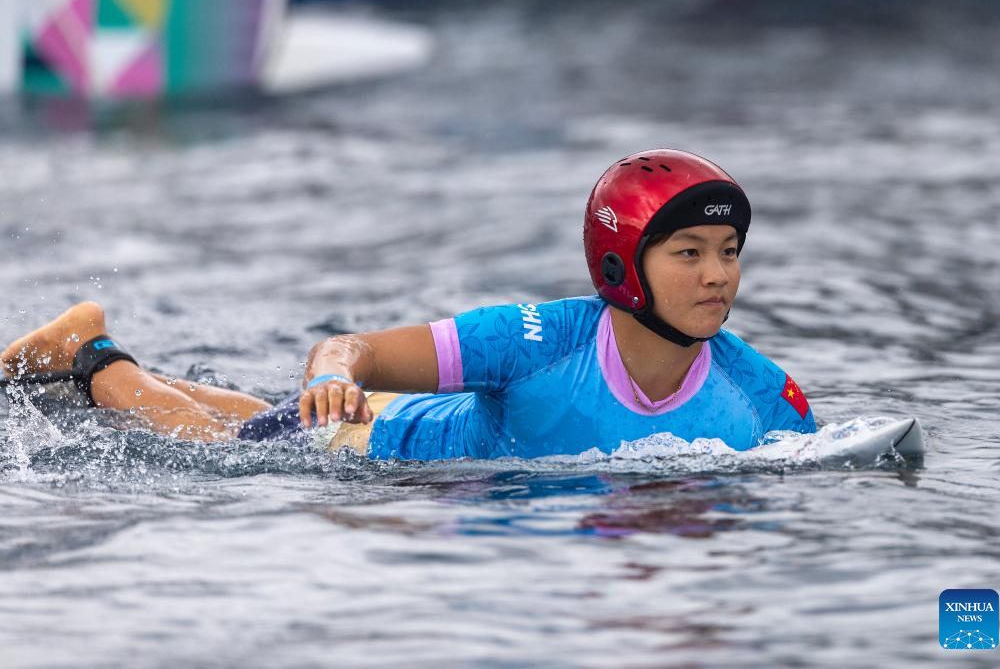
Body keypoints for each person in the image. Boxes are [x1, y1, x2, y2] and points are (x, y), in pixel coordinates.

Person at [1, 149, 816, 460]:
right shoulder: (538, 340)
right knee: (223, 439)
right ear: (620, 264)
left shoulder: (760, 393)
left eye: (729, 252)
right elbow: (353, 350)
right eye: (688, 253)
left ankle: (85, 341)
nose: (718, 275)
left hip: (423, 457)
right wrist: (327, 377)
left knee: (255, 412)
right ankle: (90, 356)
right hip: (378, 448)